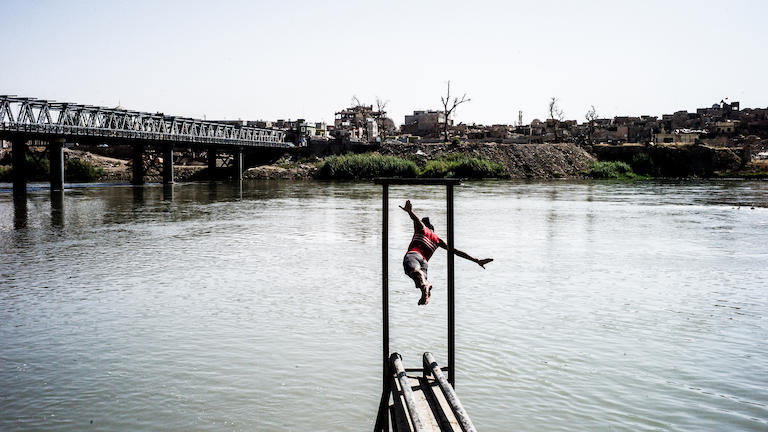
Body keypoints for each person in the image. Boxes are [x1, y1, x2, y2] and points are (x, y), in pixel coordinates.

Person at [399, 200, 493, 305]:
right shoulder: (438, 240)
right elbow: (456, 251)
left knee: (412, 271)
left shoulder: (422, 229)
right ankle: (425, 289)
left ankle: (424, 286)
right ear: (433, 229)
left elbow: (415, 220)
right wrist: (476, 260)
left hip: (414, 255)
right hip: (425, 262)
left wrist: (410, 211)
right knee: (421, 280)